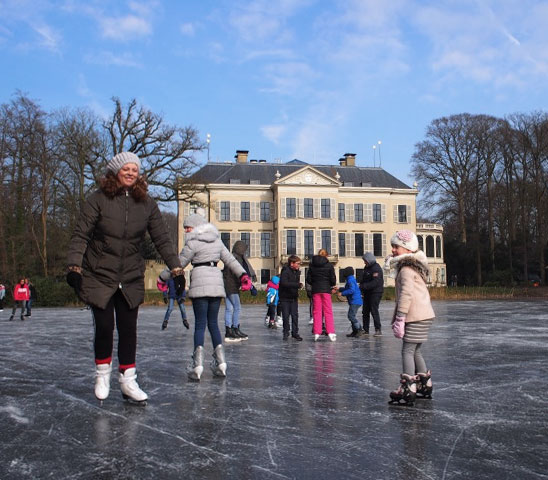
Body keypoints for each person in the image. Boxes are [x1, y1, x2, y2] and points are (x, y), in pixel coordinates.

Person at [66, 151, 184, 405]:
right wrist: (74, 267)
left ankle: (128, 380)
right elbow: (81, 235)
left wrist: (176, 269)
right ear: (116, 171)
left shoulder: (147, 204)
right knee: (106, 326)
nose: (131, 173)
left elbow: (162, 238)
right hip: (100, 274)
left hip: (130, 274)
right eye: (126, 169)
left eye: (135, 169)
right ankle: (102, 374)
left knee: (129, 329)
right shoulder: (98, 199)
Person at [170, 210, 252, 381]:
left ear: (196, 228)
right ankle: (221, 363)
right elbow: (231, 260)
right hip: (216, 284)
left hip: (200, 281)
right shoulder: (217, 242)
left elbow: (179, 263)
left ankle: (197, 364)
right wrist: (243, 275)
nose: (186, 231)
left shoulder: (192, 244)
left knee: (200, 324)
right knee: (213, 324)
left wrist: (163, 277)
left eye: (188, 227)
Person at [386, 230, 435, 406]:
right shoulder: (413, 266)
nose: (392, 250)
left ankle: (409, 387)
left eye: (396, 247)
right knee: (415, 350)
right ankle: (424, 383)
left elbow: (406, 294)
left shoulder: (406, 269)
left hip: (415, 316)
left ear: (407, 249)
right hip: (423, 315)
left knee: (407, 350)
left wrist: (400, 317)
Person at [222, 240, 255, 342]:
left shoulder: (232, 258)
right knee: (237, 308)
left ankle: (229, 330)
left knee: (229, 308)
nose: (245, 252)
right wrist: (247, 284)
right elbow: (236, 274)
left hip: (229, 286)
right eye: (244, 250)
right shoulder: (235, 259)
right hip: (232, 287)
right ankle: (235, 328)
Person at [306, 249, 337, 342]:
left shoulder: (312, 266)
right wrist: (329, 284)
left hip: (316, 290)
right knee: (328, 311)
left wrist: (315, 283)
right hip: (326, 290)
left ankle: (316, 332)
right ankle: (330, 331)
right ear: (326, 256)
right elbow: (333, 280)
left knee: (316, 311)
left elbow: (309, 279)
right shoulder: (329, 266)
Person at [278, 255, 303, 341]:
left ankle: (295, 333)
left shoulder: (297, 272)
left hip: (293, 297)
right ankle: (286, 332)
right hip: (285, 297)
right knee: (285, 316)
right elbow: (284, 283)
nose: (299, 265)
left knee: (295, 316)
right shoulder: (285, 271)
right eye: (298, 263)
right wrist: (297, 285)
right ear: (292, 263)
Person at [360, 252, 384, 336]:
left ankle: (378, 329)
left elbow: (375, 282)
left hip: (376, 292)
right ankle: (365, 329)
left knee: (374, 310)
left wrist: (364, 286)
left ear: (369, 260)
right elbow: (363, 279)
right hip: (367, 293)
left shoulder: (376, 268)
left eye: (365, 261)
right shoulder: (366, 268)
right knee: (365, 311)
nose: (364, 262)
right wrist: (361, 288)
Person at [338, 266, 364, 337]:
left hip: (355, 301)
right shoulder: (351, 279)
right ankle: (355, 331)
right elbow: (347, 288)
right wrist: (339, 289)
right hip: (354, 301)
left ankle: (359, 329)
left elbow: (351, 290)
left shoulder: (350, 280)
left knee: (351, 316)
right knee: (352, 316)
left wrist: (342, 293)